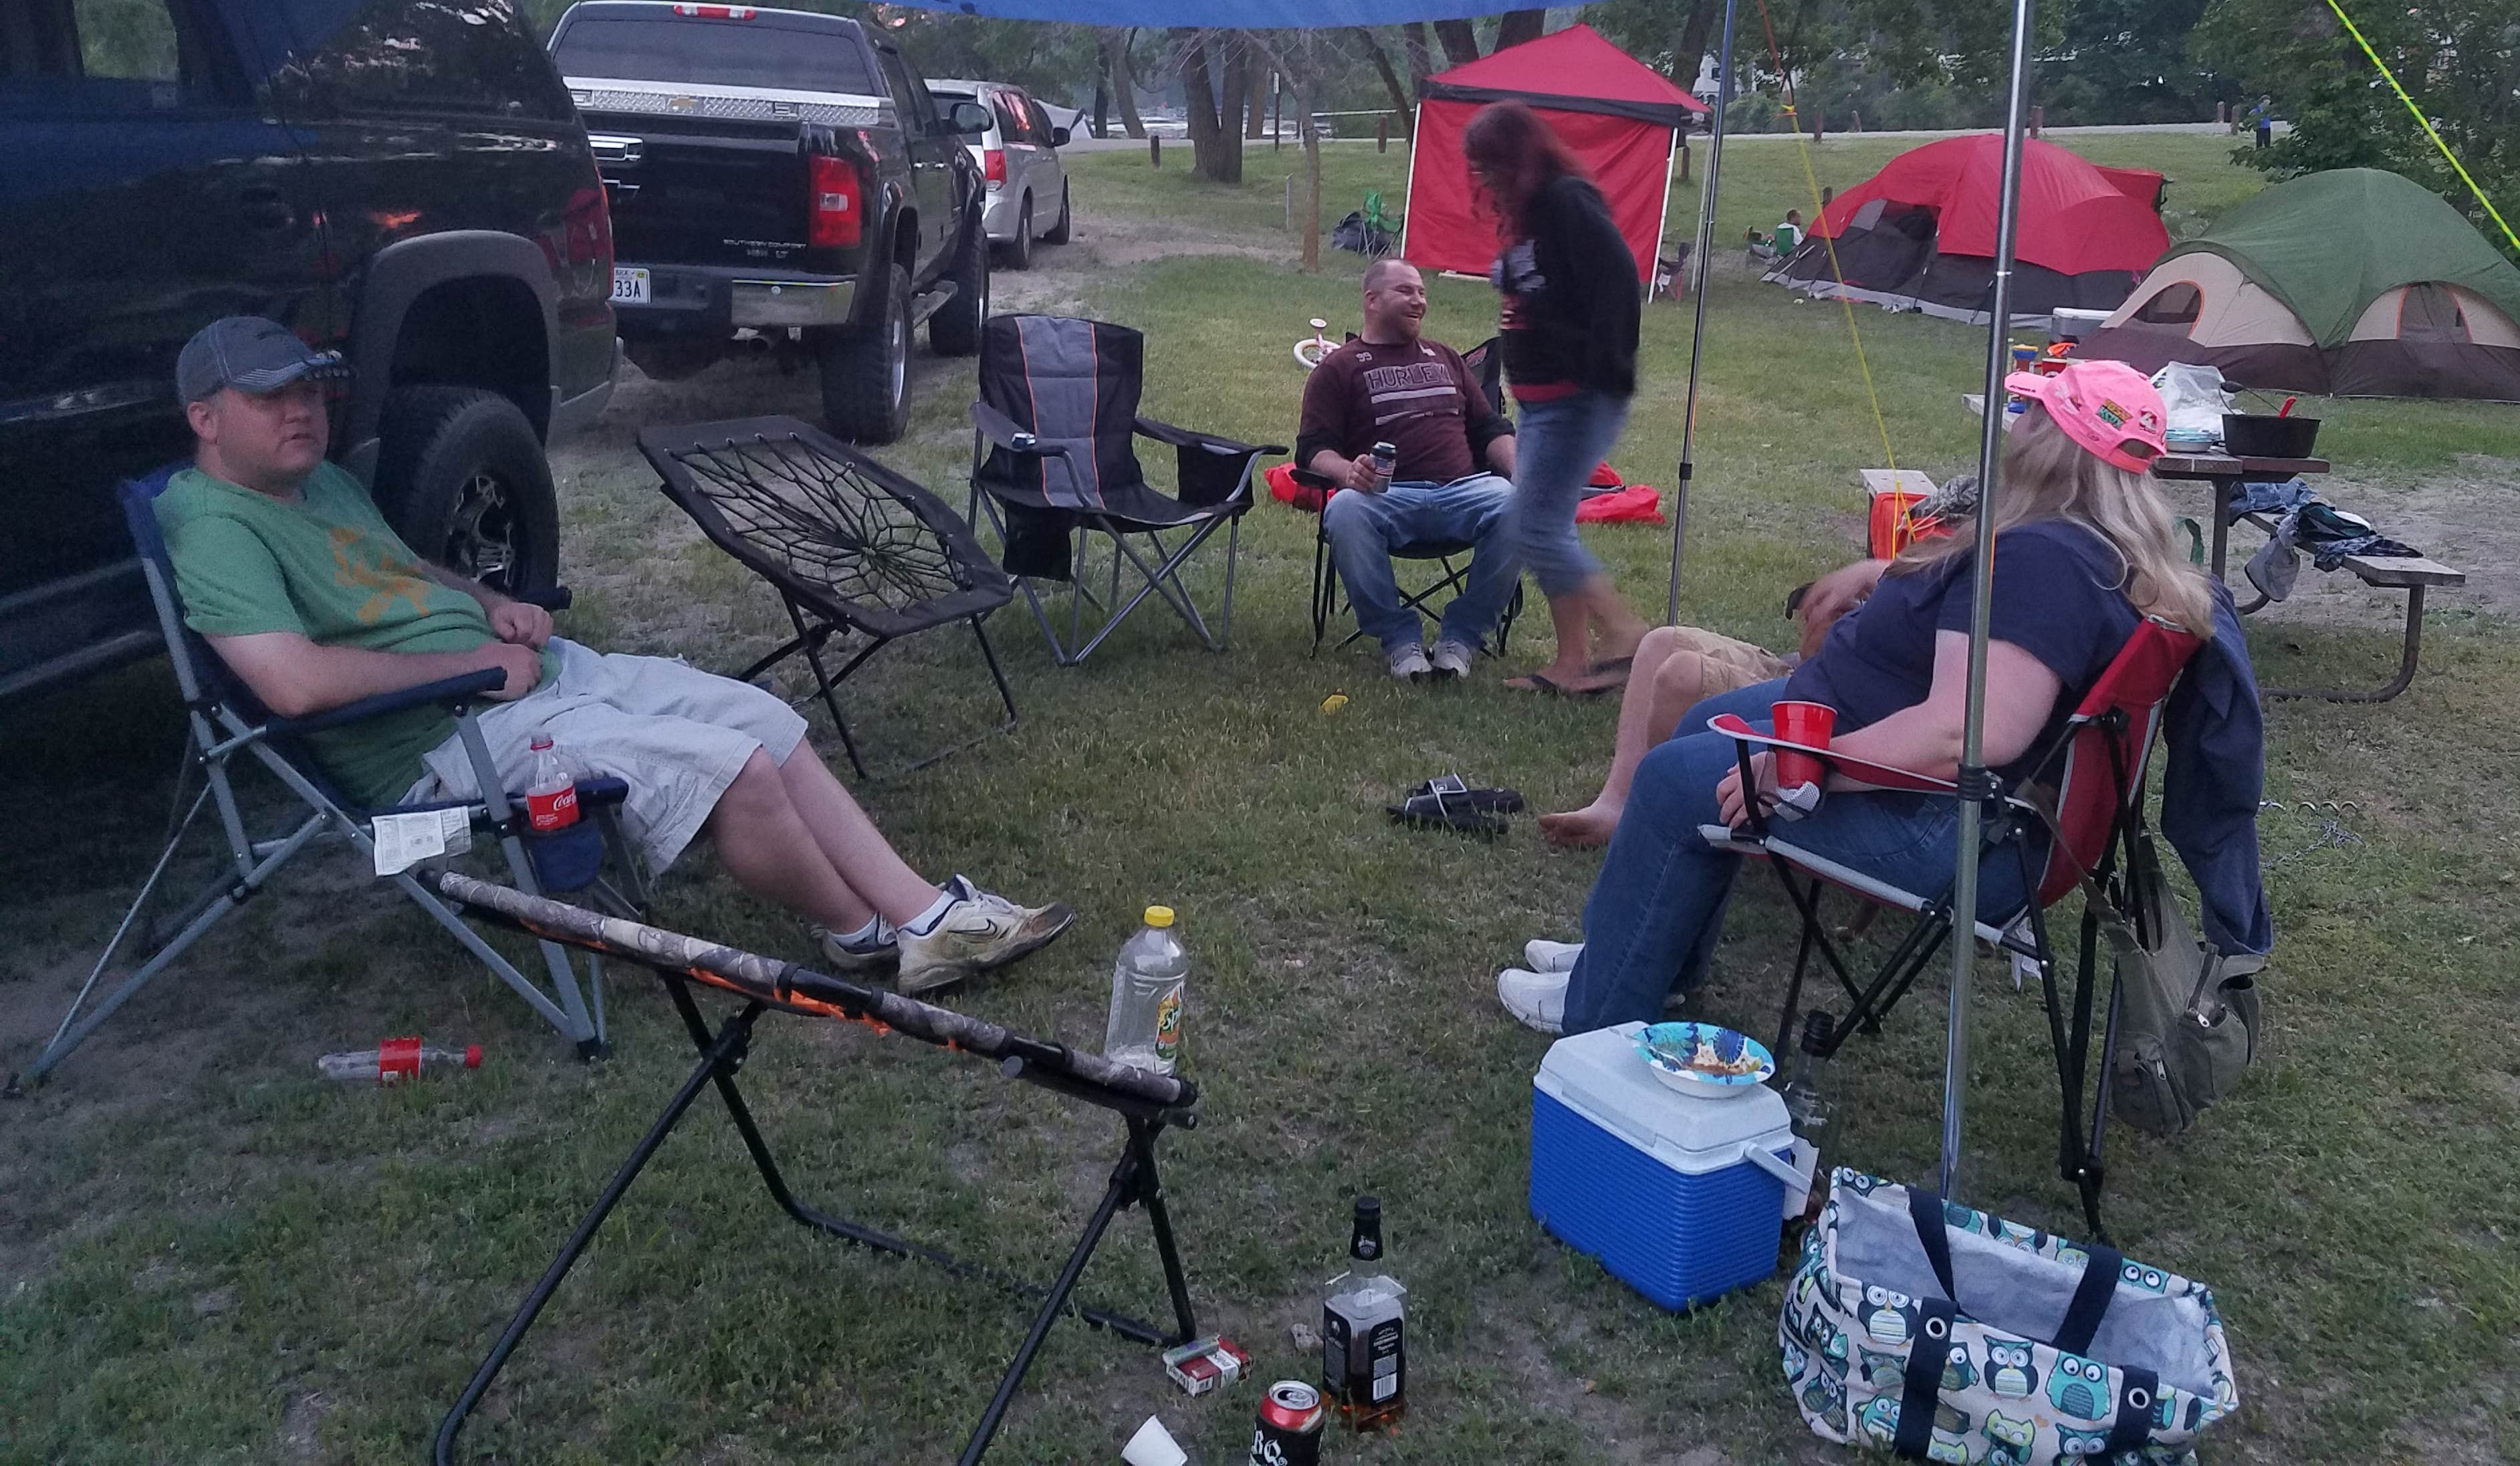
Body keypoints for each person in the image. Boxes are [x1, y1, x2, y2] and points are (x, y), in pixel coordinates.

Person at [154, 317, 1072, 997]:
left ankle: (920, 916)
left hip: (520, 685)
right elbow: (294, 682)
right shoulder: (213, 523)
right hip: (446, 745)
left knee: (763, 718)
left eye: (310, 391)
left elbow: (406, 571)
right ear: (204, 417)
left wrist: (493, 604)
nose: (301, 411)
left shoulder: (322, 484)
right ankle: (868, 933)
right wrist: (469, 669)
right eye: (270, 397)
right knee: (738, 771)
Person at [1497, 358, 2216, 1034]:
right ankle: (1645, 963)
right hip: (1948, 797)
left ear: (2056, 443)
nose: (2014, 424)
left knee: (1669, 782)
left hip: (1945, 827)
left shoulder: (2041, 564)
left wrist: (1804, 771)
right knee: (1698, 723)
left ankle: (1601, 1008)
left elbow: (1965, 735)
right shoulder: (2086, 543)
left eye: (2030, 413)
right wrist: (1888, 571)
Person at [1463, 101, 1646, 697]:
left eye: (1490, 166)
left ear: (1519, 156)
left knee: (1534, 529)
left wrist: (1602, 368)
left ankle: (1625, 633)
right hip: (1540, 403)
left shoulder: (1568, 201)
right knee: (1549, 529)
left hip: (1577, 397)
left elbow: (1618, 278)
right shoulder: (1532, 215)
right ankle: (1572, 666)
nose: (1483, 179)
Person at [1297, 258, 1519, 681]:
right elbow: (1312, 449)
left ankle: (1462, 638)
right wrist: (1348, 474)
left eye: (1422, 292)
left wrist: (1518, 468)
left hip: (1463, 492)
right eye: (1406, 292)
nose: (1419, 301)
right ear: (1372, 299)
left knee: (1517, 504)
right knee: (1344, 510)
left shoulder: (1447, 358)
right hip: (1386, 497)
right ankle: (1400, 640)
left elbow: (1491, 428)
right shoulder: (1340, 367)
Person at [1534, 575, 1870, 847]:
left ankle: (1653, 821)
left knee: (1683, 674)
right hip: (1795, 671)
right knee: (1661, 642)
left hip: (1823, 700)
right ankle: (1614, 805)